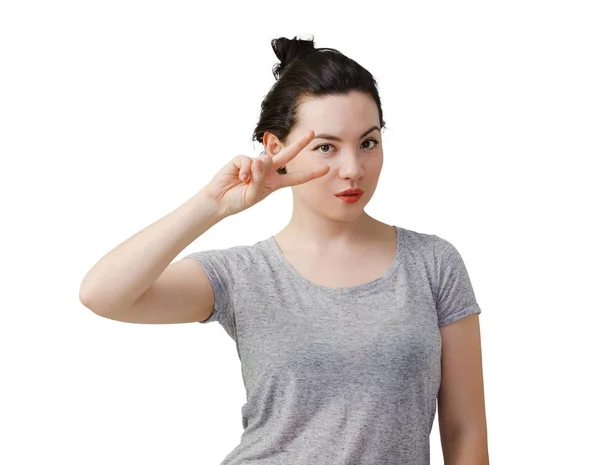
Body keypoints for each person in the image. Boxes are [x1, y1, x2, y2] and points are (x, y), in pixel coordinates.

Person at [79, 35, 489, 465]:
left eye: (367, 143)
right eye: (326, 147)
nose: (352, 169)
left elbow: (465, 432)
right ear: (277, 150)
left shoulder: (432, 264)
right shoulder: (243, 274)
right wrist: (211, 205)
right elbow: (102, 294)